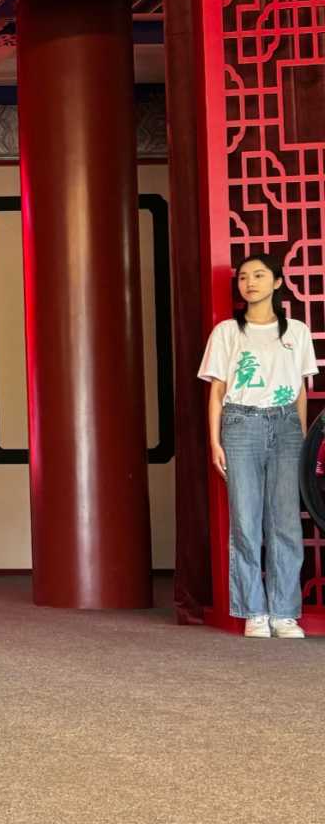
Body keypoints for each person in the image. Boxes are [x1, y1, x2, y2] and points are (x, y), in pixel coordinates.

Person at [199, 251, 316, 640]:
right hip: (240, 424)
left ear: (278, 282)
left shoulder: (296, 331)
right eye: (244, 277)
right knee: (246, 522)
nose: (250, 282)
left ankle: (284, 613)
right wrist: (215, 440)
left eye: (259, 275)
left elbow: (300, 391)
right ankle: (253, 611)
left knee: (285, 522)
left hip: (286, 426)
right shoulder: (227, 332)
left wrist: (300, 438)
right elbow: (217, 391)